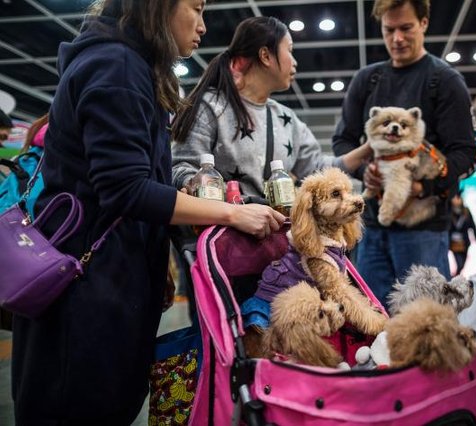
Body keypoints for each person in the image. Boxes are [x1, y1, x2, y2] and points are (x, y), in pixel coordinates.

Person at [11, 1, 285, 424]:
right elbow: (126, 189)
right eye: (195, 8)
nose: (203, 25)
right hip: (86, 295)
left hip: (103, 281)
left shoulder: (127, 65)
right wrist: (229, 214)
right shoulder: (116, 68)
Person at [331, 0, 476, 308]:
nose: (397, 38)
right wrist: (364, 172)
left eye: (406, 28)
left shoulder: (445, 81)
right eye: (389, 30)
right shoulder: (367, 80)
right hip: (370, 229)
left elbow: (466, 155)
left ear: (424, 23)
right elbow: (342, 141)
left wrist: (420, 186)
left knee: (425, 325)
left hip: (423, 230)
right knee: (369, 323)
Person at [171, 16, 373, 198]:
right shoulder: (211, 106)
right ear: (266, 56)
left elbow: (319, 170)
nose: (294, 62)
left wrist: (369, 148)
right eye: (290, 51)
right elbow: (181, 167)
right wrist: (200, 188)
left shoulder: (287, 119)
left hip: (274, 233)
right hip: (220, 233)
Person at [449, 192, 476, 276]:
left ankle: (456, 277)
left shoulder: (466, 211)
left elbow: (473, 226)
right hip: (453, 244)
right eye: (454, 198)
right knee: (458, 263)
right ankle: (455, 278)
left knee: (462, 264)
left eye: (458, 198)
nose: (456, 200)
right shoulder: (449, 212)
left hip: (464, 243)